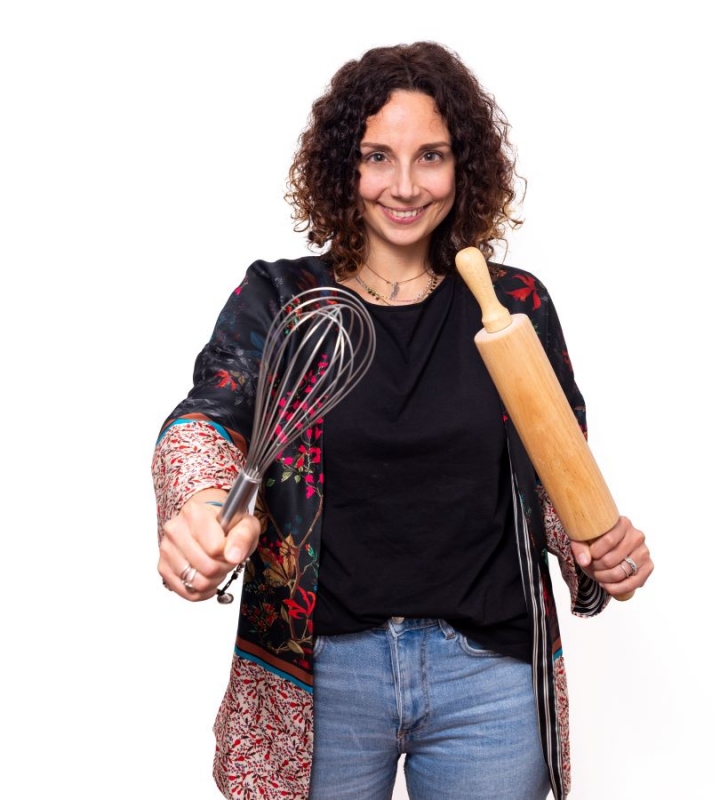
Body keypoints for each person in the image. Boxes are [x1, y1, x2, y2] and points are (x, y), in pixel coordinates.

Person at [153, 41, 654, 800]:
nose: (406, 185)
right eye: (378, 157)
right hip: (319, 673)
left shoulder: (512, 305)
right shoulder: (283, 300)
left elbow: (557, 468)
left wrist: (598, 549)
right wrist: (197, 503)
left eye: (432, 157)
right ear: (342, 166)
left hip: (489, 679)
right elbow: (206, 419)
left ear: (464, 166)